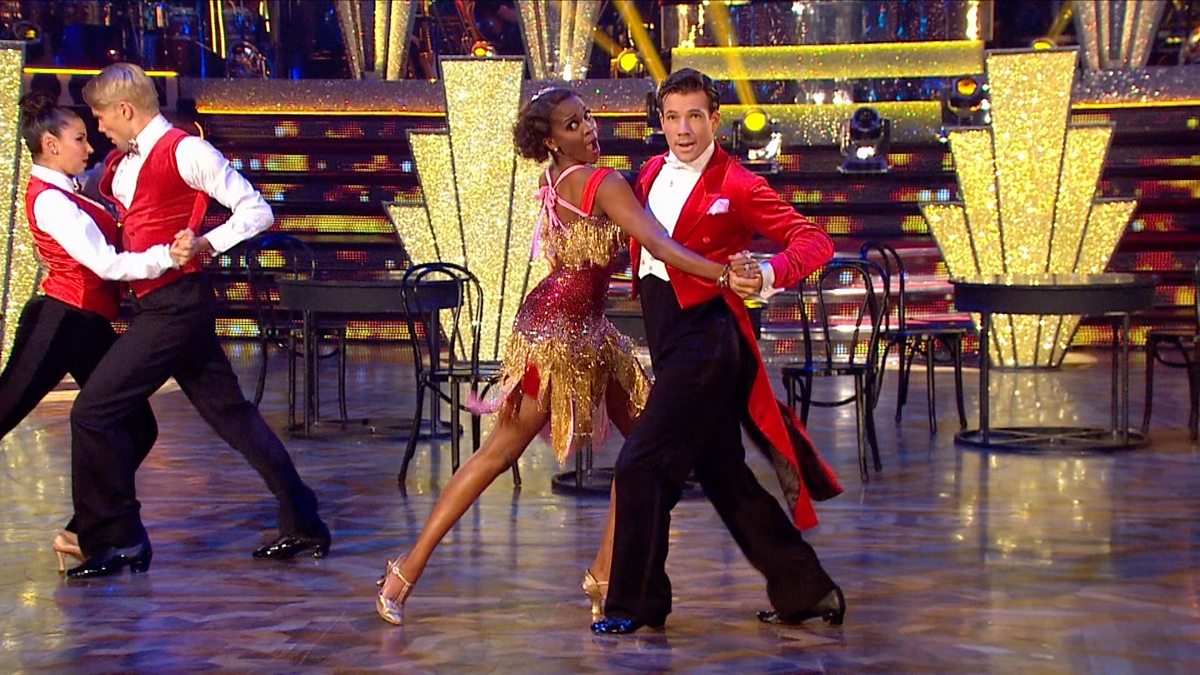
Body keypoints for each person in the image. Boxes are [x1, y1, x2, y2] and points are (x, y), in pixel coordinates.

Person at [375, 87, 761, 625]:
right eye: (573, 125)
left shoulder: (557, 178)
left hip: (585, 329)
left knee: (646, 448)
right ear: (551, 141)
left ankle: (604, 572)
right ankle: (407, 568)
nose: (589, 129)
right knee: (499, 454)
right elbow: (658, 243)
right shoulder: (602, 183)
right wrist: (721, 274)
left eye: (588, 118)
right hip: (557, 337)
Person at [592, 68, 845, 635]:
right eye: (673, 117)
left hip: (708, 342)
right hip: (670, 336)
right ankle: (808, 589)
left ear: (715, 120)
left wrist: (769, 272)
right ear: (661, 121)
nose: (683, 130)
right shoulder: (649, 172)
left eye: (694, 117)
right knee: (725, 474)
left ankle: (635, 604)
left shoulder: (739, 184)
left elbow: (815, 240)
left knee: (639, 464)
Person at [63, 63, 328, 579]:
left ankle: (119, 539)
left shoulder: (187, 151)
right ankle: (305, 522)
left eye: (100, 117)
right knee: (232, 416)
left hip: (176, 305)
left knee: (93, 411)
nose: (99, 128)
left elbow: (257, 211)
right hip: (157, 303)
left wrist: (206, 242)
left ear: (124, 109)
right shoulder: (119, 161)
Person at [0, 91, 179, 572]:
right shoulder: (51, 200)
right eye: (79, 139)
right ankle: (99, 532)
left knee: (137, 425)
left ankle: (84, 531)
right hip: (58, 320)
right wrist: (166, 258)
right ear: (51, 145)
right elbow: (105, 264)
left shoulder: (70, 189)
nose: (88, 147)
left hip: (87, 324)